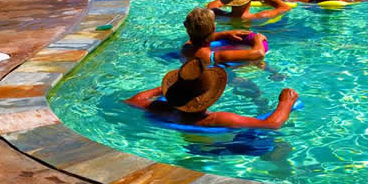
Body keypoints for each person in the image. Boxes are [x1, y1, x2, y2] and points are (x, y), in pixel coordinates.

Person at [125, 57, 299, 129]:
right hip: (220, 148)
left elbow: (134, 100)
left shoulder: (163, 109)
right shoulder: (216, 119)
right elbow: (272, 124)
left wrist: (172, 88)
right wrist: (286, 102)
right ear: (210, 95)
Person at [180, 6, 269, 64]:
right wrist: (258, 39)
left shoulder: (186, 48)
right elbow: (259, 53)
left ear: (188, 30)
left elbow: (200, 38)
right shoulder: (216, 56)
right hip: (219, 72)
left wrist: (224, 34)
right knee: (258, 65)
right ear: (214, 29)